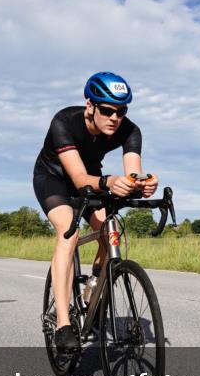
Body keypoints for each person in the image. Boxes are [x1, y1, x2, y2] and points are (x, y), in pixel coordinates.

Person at [33, 72, 158, 355]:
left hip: (93, 179)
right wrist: (111, 182)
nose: (115, 118)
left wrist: (143, 183)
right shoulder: (64, 122)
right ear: (90, 105)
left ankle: (93, 288)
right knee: (69, 231)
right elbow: (78, 178)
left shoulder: (129, 131)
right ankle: (64, 324)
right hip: (53, 179)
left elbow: (133, 171)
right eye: (107, 110)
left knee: (108, 230)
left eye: (122, 111)